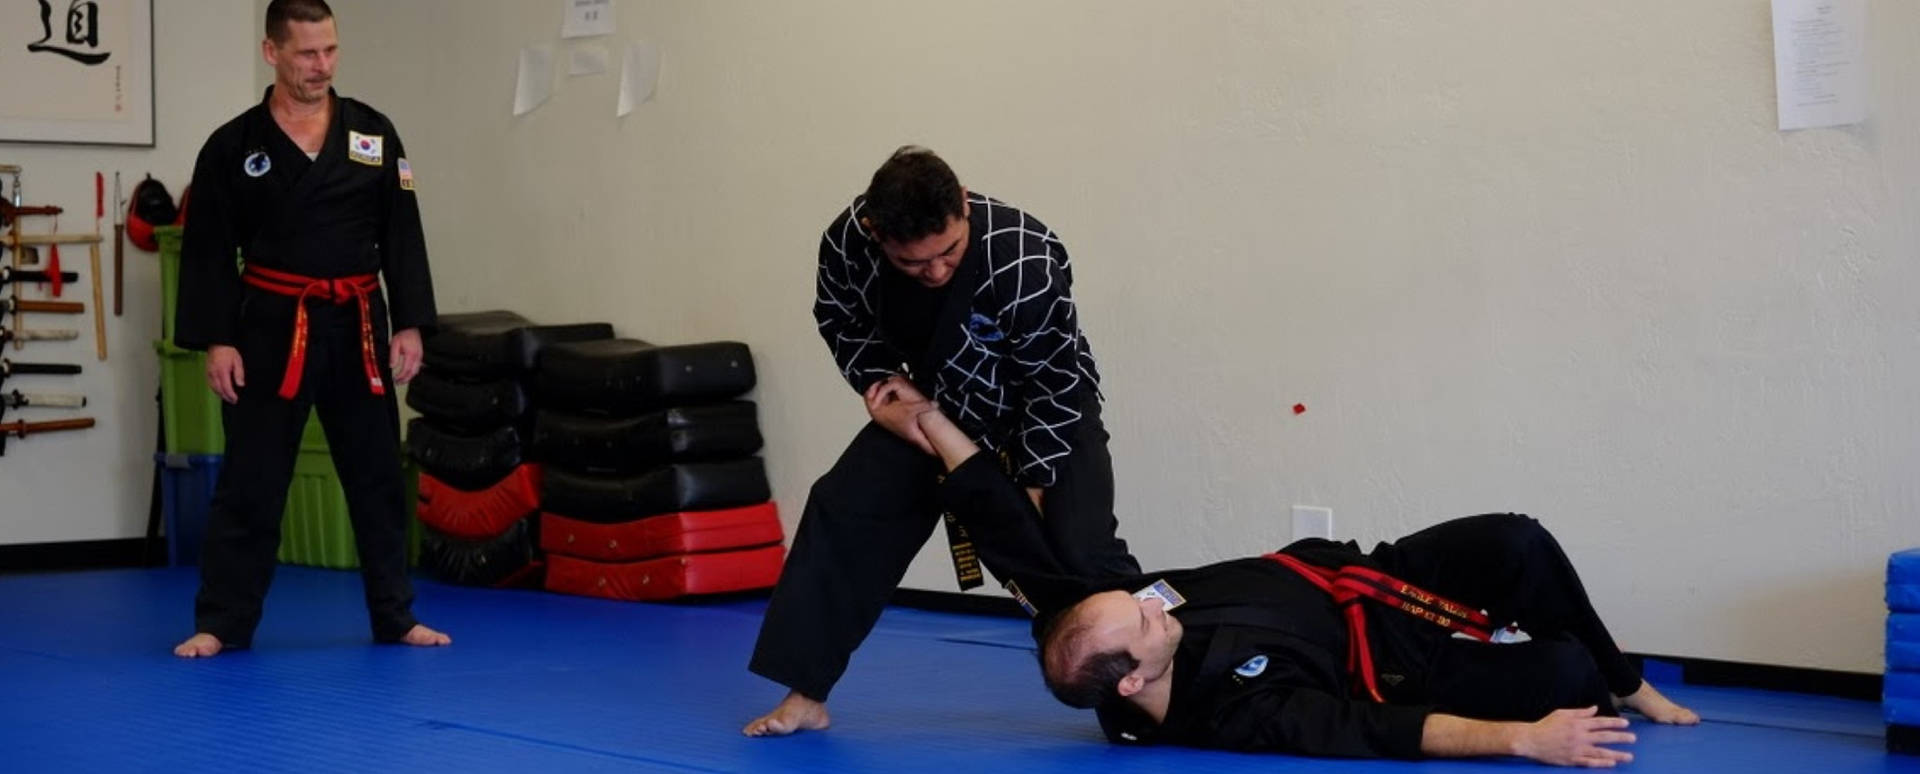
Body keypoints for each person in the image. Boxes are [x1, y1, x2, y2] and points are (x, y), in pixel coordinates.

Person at [881, 375, 1699, 767]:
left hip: (1373, 575)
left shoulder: (1094, 624)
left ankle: (1630, 678)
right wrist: (1525, 739)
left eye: (1133, 602)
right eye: (1142, 622)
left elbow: (1009, 536)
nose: (1150, 603)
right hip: (1395, 669)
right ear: (1131, 683)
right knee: (1563, 673)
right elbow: (1366, 732)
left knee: (1516, 540)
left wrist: (930, 425)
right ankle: (1597, 681)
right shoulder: (1233, 713)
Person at [745, 147, 1140, 735]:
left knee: (1076, 550)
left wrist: (1032, 486)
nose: (933, 272)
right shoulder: (849, 243)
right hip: (938, 402)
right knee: (846, 508)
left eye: (948, 253)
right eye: (912, 263)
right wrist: (887, 393)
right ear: (877, 233)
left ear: (964, 204)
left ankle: (1145, 699)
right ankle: (807, 694)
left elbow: (1054, 381)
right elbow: (841, 320)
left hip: (1045, 407)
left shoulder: (1021, 253)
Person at [171, 0, 448, 658]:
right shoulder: (233, 147)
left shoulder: (373, 135)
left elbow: (401, 233)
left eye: (329, 50)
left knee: (379, 474)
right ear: (272, 53)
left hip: (358, 324)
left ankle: (395, 615)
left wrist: (410, 323)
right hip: (269, 326)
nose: (320, 65)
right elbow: (210, 249)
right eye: (305, 53)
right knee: (251, 480)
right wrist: (218, 338)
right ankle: (223, 622)